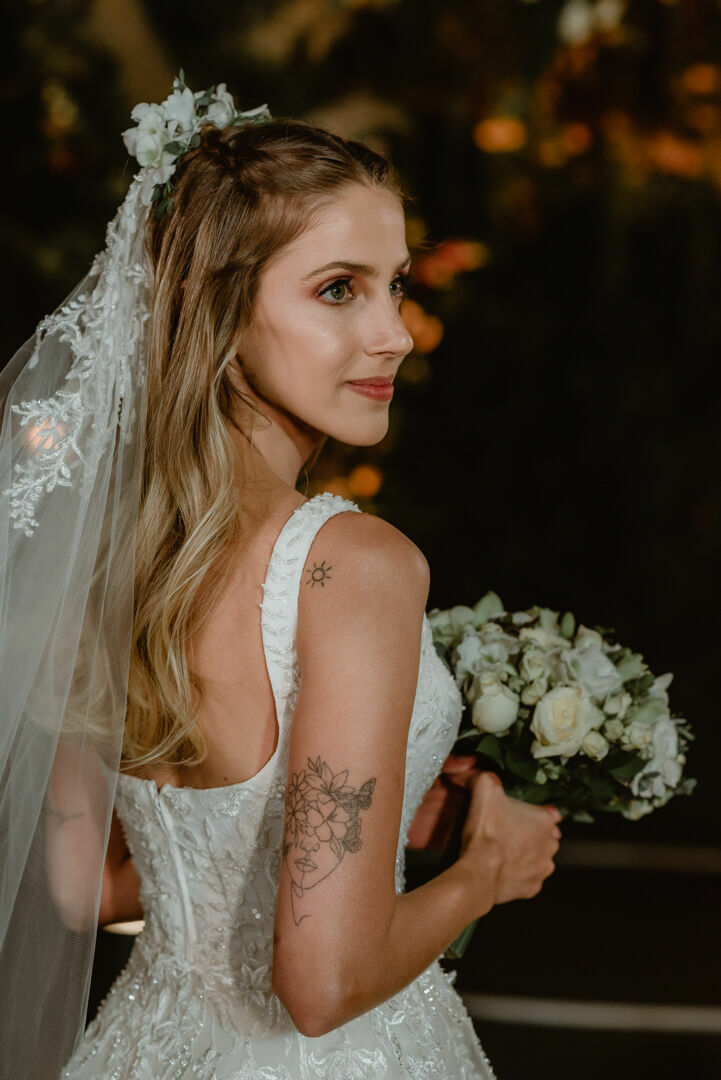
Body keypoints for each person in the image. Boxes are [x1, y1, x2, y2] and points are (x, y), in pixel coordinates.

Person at [0, 75, 561, 1079]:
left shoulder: (106, 557)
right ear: (218, 310)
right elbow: (322, 985)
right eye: (338, 288)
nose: (394, 331)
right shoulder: (354, 563)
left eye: (398, 284)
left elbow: (92, 889)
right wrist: (488, 868)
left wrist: (359, 826)